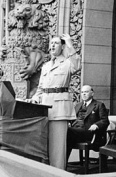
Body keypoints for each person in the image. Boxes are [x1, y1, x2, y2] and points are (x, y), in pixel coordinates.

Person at [27, 34, 80, 169]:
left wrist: (69, 43)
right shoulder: (46, 66)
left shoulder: (67, 63)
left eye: (56, 43)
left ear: (62, 47)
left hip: (59, 109)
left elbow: (77, 65)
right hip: (44, 109)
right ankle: (46, 173)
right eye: (51, 43)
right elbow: (41, 88)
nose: (52, 45)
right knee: (44, 145)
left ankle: (58, 175)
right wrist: (35, 97)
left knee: (57, 148)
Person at [66, 85, 109, 160]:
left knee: (67, 132)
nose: (83, 94)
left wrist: (96, 125)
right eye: (82, 92)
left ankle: (62, 164)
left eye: (86, 92)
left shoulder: (99, 105)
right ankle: (63, 163)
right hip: (75, 131)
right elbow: (72, 118)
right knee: (65, 134)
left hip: (88, 132)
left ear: (92, 93)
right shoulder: (78, 105)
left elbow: (105, 121)